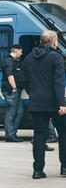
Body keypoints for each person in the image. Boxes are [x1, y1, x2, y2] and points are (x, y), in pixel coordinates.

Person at [23, 30, 66, 179]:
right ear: (53, 41)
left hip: (36, 102)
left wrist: (34, 93)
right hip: (55, 103)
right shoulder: (56, 57)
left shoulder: (28, 58)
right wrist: (62, 103)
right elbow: (59, 82)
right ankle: (65, 167)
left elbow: (25, 82)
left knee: (39, 136)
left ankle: (38, 171)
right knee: (64, 133)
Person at [1, 45, 26, 142]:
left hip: (16, 90)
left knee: (19, 112)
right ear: (16, 51)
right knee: (11, 113)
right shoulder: (8, 61)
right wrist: (14, 87)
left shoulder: (15, 61)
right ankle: (10, 136)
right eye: (21, 51)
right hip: (10, 90)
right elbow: (9, 75)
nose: (21, 53)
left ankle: (13, 133)